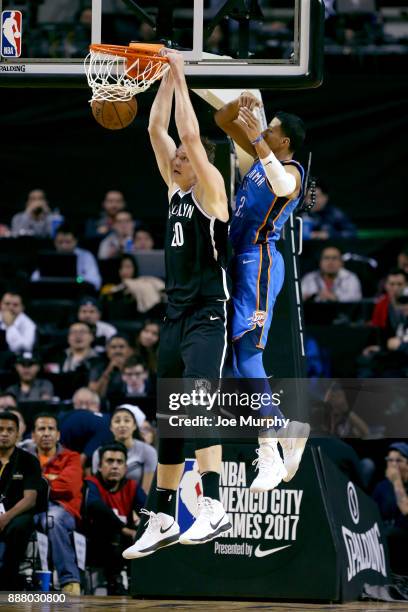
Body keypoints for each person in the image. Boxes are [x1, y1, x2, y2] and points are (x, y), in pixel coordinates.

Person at [123, 50, 231, 560]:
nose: (176, 159)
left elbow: (188, 137)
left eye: (184, 158)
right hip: (175, 315)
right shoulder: (174, 191)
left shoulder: (212, 191)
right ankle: (163, 514)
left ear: (200, 162)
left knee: (195, 399)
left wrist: (181, 71)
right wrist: (165, 76)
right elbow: (156, 130)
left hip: (210, 313)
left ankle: (212, 504)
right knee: (170, 416)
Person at [215, 92, 309, 492]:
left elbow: (281, 185)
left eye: (271, 131)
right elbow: (221, 120)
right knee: (237, 363)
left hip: (260, 262)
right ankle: (285, 428)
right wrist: (242, 104)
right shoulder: (257, 155)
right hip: (238, 260)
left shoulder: (293, 170)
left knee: (250, 355)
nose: (263, 132)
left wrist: (257, 139)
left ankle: (269, 449)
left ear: (283, 141)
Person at [30, 414, 82, 595]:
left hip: (61, 510)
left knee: (52, 519)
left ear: (58, 434)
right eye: (41, 429)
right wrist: (51, 479)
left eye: (51, 429)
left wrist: (37, 483)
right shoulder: (24, 457)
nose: (46, 433)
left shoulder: (72, 457)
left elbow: (69, 486)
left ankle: (70, 581)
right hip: (29, 508)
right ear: (33, 435)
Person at [84, 443, 146, 594]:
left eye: (119, 462)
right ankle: (116, 582)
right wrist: (124, 529)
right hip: (96, 544)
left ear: (125, 467)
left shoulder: (132, 486)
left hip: (126, 543)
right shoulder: (91, 483)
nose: (115, 466)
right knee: (110, 531)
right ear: (99, 466)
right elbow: (96, 507)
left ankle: (141, 584)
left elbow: (147, 511)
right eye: (109, 461)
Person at [0, 412, 42, 590]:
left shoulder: (29, 461)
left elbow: (30, 499)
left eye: (10, 430)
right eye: (0, 429)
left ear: (18, 434)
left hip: (17, 513)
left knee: (18, 526)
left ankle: (7, 581)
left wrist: (5, 517)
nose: (4, 433)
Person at [91, 406, 157, 493]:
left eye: (127, 420)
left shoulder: (148, 451)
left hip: (138, 502)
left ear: (134, 426)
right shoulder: (98, 452)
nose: (122, 425)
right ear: (111, 427)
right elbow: (97, 488)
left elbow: (147, 491)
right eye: (117, 421)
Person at [372, 442, 408, 574]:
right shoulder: (381, 487)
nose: (393, 464)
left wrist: (397, 482)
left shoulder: (396, 483)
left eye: (399, 460)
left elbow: (406, 510)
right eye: (390, 460)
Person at [32, 224, 101, 290]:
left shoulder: (86, 256)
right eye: (60, 242)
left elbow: (95, 281)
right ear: (55, 242)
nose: (64, 246)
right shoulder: (48, 257)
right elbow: (35, 278)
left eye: (68, 242)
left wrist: (77, 279)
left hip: (77, 292)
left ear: (75, 241)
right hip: (52, 291)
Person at [89, 334, 133, 404]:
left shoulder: (138, 367)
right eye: (113, 347)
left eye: (121, 347)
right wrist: (108, 370)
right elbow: (93, 395)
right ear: (107, 351)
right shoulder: (98, 368)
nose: (117, 350)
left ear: (130, 350)